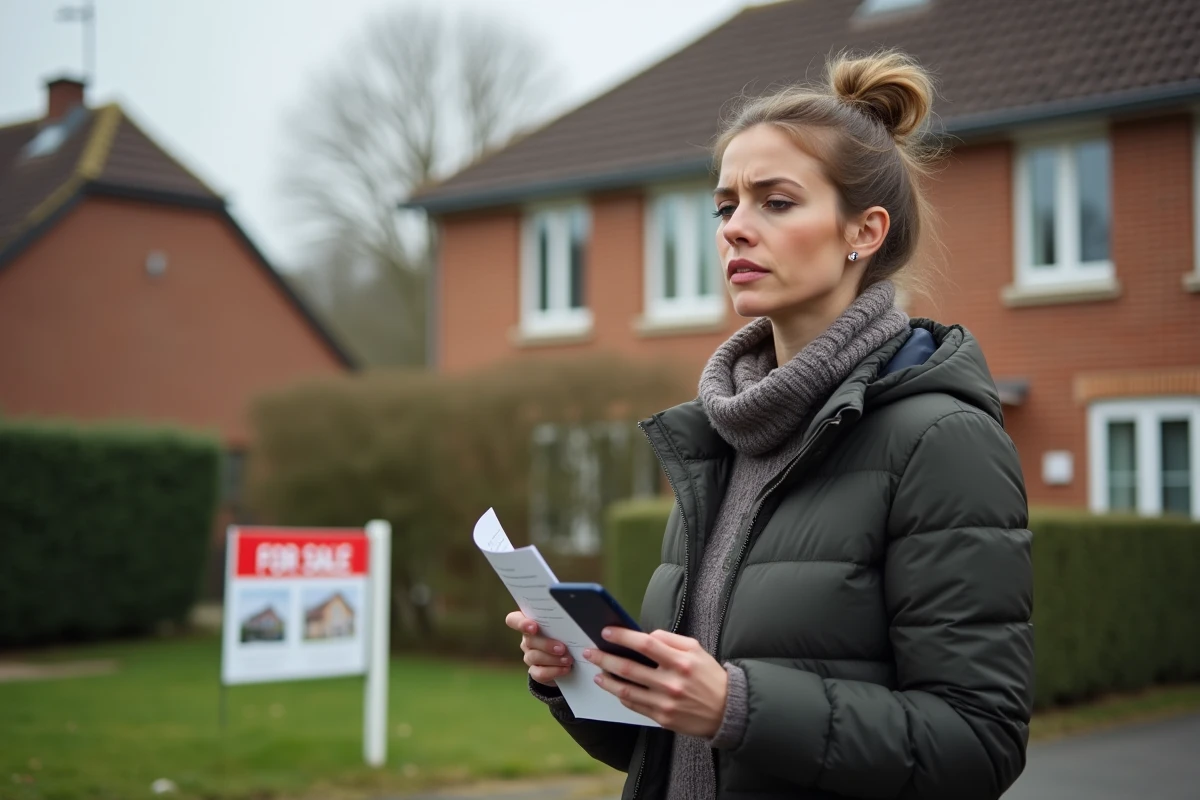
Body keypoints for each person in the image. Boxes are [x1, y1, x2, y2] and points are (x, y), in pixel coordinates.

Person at [505, 49, 1033, 800]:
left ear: (865, 231)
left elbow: (978, 744)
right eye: (726, 207)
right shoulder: (719, 436)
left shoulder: (941, 439)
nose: (734, 231)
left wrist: (736, 705)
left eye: (775, 202)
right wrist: (581, 680)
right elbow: (679, 749)